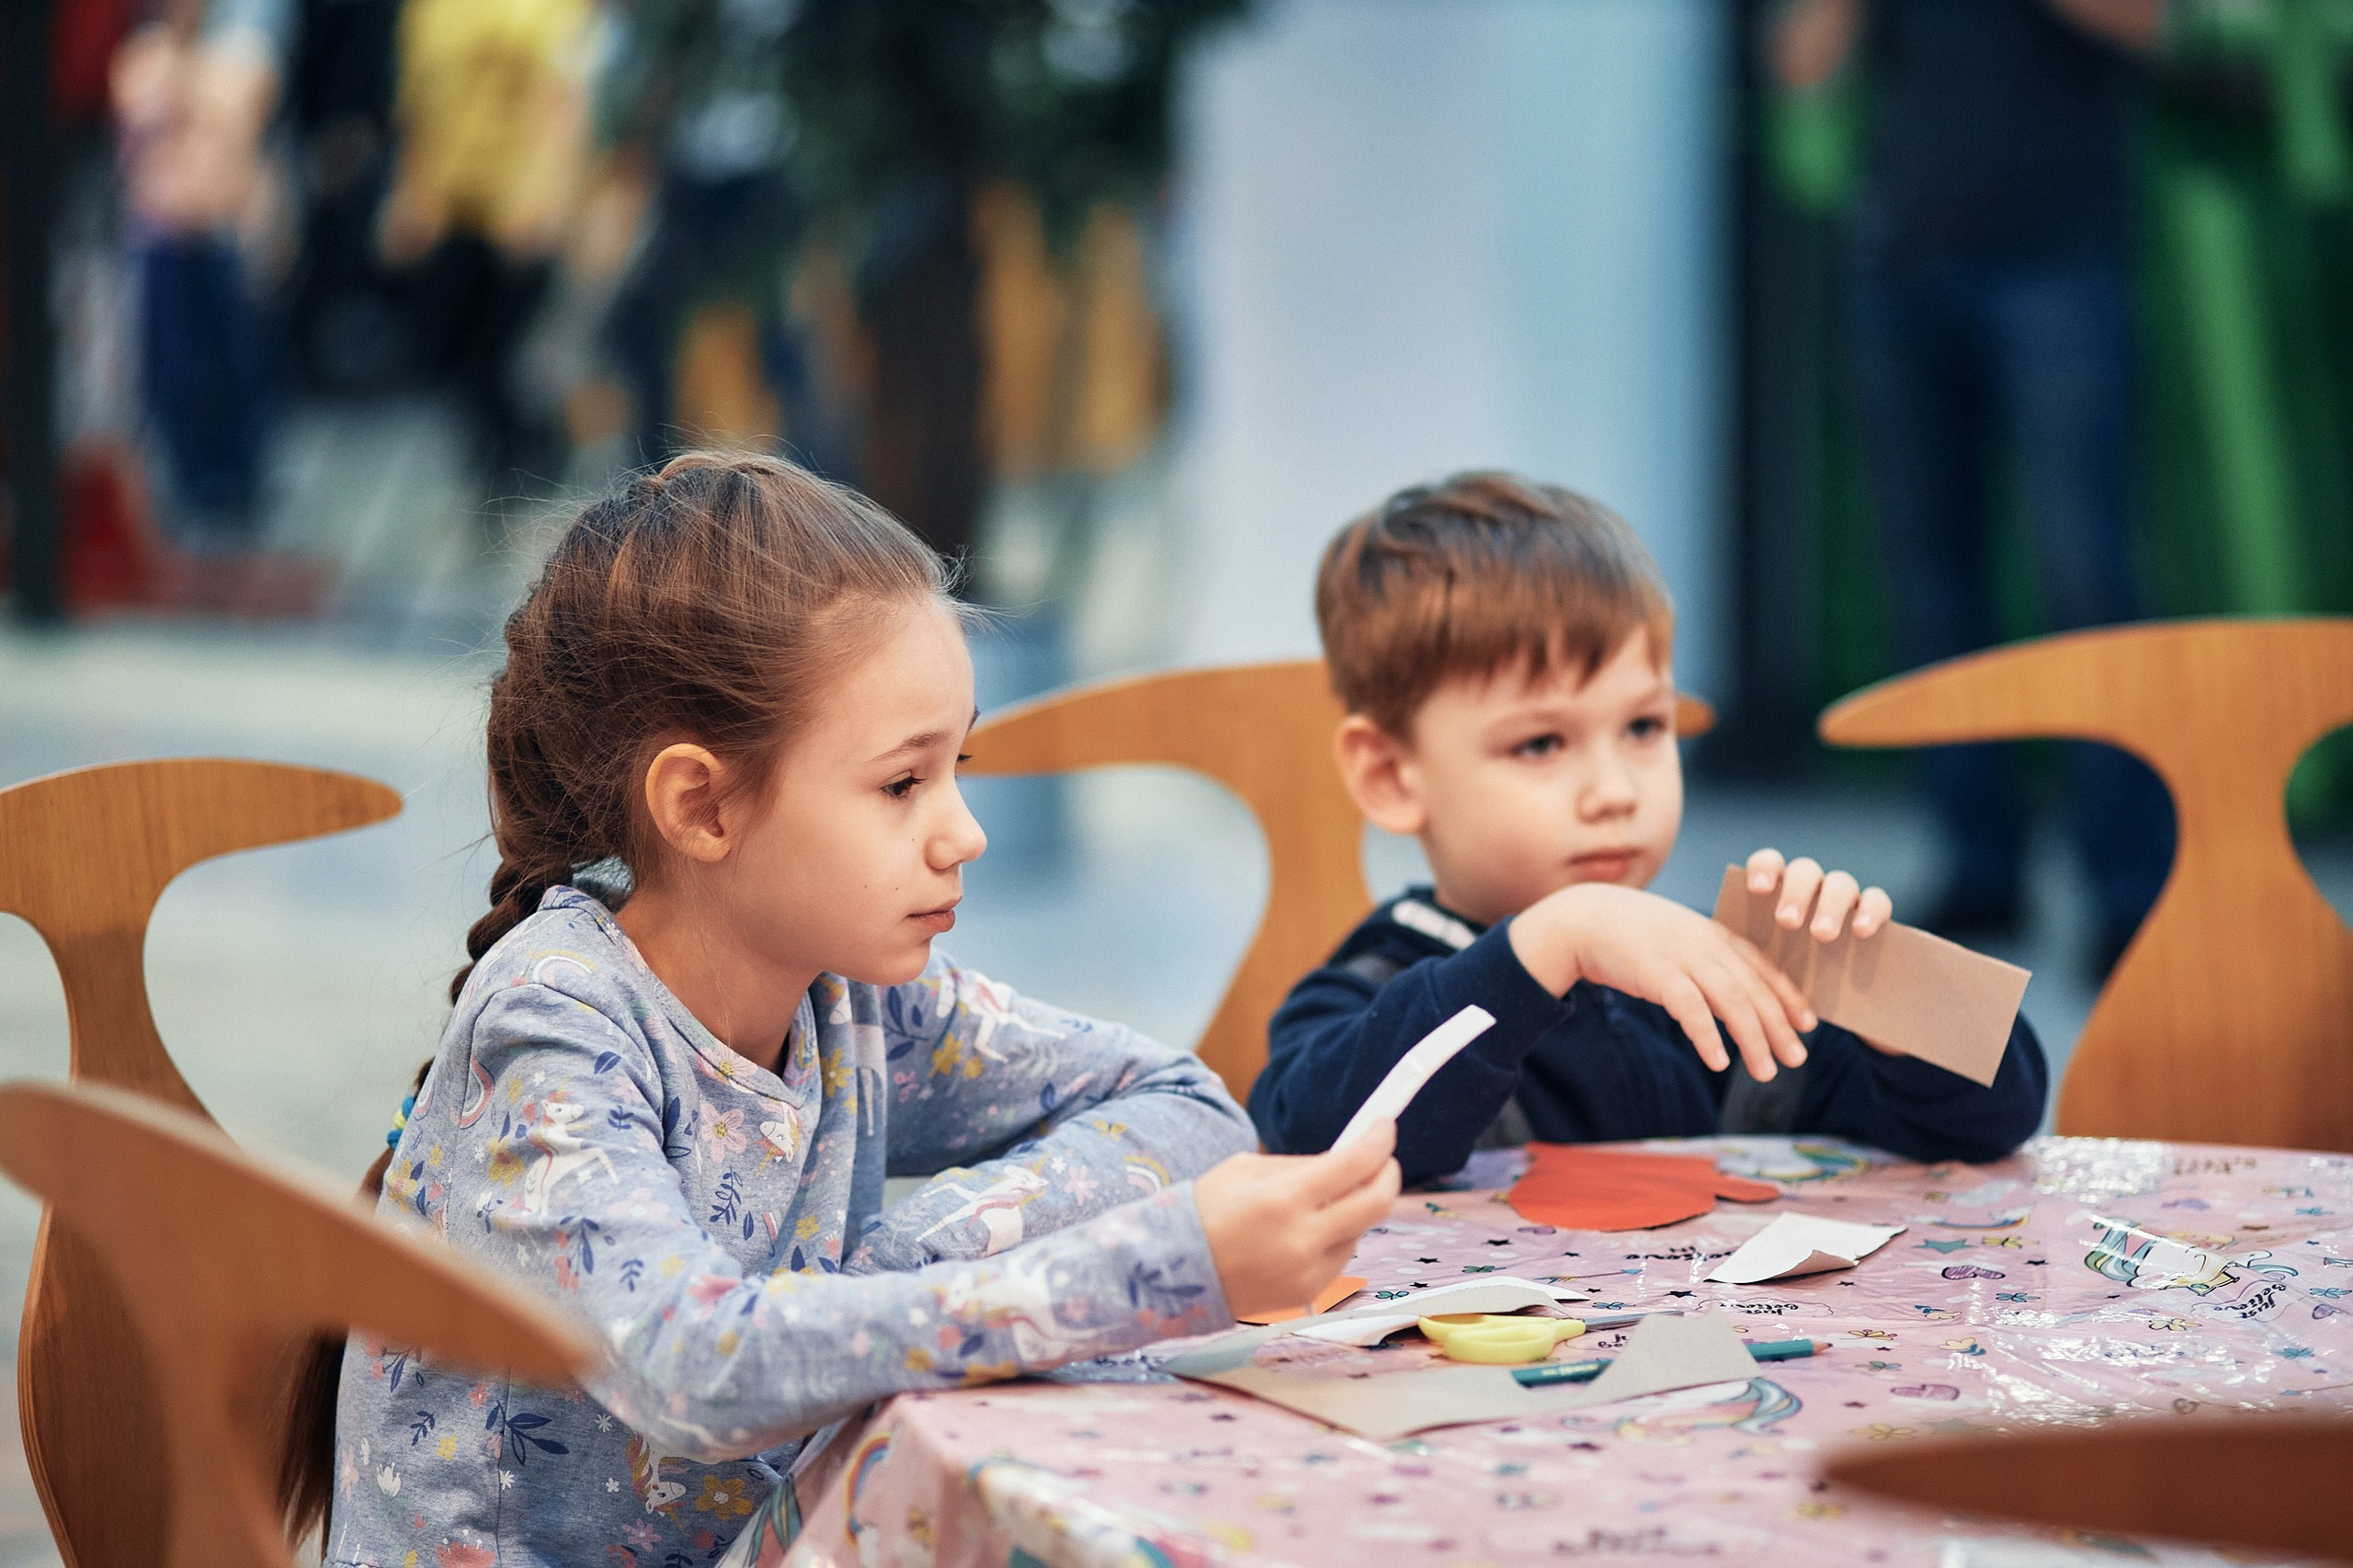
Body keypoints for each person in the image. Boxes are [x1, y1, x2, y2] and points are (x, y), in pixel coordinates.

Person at [313, 454, 1400, 1566]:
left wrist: (896, 1262)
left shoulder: (853, 992)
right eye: (901, 784)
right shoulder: (556, 1016)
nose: (962, 831)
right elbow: (689, 1365)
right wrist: (1144, 1265)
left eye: (957, 763)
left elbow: (1185, 1107)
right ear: (700, 804)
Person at [1250, 473, 2048, 1188]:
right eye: (1540, 744)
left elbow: (1995, 1126)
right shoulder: (1373, 987)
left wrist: (1887, 993)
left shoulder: (1731, 976)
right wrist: (1553, 941)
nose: (1614, 791)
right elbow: (1314, 1140)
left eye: (1642, 727)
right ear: (1391, 777)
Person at [1770, 0, 2176, 972]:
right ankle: (1979, 864)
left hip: (2059, 256)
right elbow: (1801, 64)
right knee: (1927, 580)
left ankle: (2130, 887)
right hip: (1902, 254)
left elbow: (2155, 26)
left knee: (2086, 579)